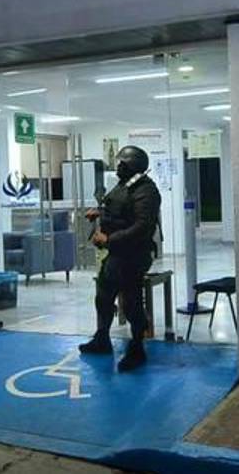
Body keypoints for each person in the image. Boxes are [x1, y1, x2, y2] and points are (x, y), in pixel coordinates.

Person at [79, 145, 162, 372]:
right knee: (103, 296)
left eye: (122, 163)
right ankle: (102, 338)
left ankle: (137, 347)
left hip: (133, 254)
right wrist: (99, 212)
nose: (118, 167)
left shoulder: (146, 190)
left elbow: (142, 227)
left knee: (131, 303)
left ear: (131, 165)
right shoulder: (124, 185)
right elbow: (116, 208)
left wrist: (109, 239)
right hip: (116, 253)